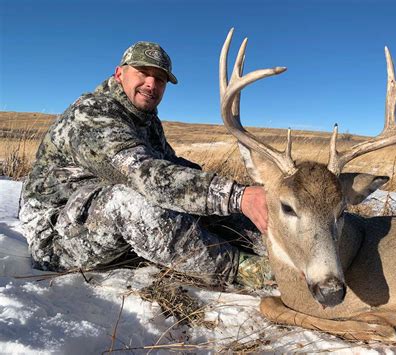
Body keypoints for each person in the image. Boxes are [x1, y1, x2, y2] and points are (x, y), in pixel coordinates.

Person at [19, 41, 272, 288]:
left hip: (102, 226)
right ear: (120, 74)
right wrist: (237, 196)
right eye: (143, 73)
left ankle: (275, 248)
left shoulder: (147, 120)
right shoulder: (91, 113)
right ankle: (245, 270)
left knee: (201, 202)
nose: (151, 84)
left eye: (160, 79)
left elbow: (171, 167)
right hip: (56, 237)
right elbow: (144, 175)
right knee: (129, 199)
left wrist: (241, 197)